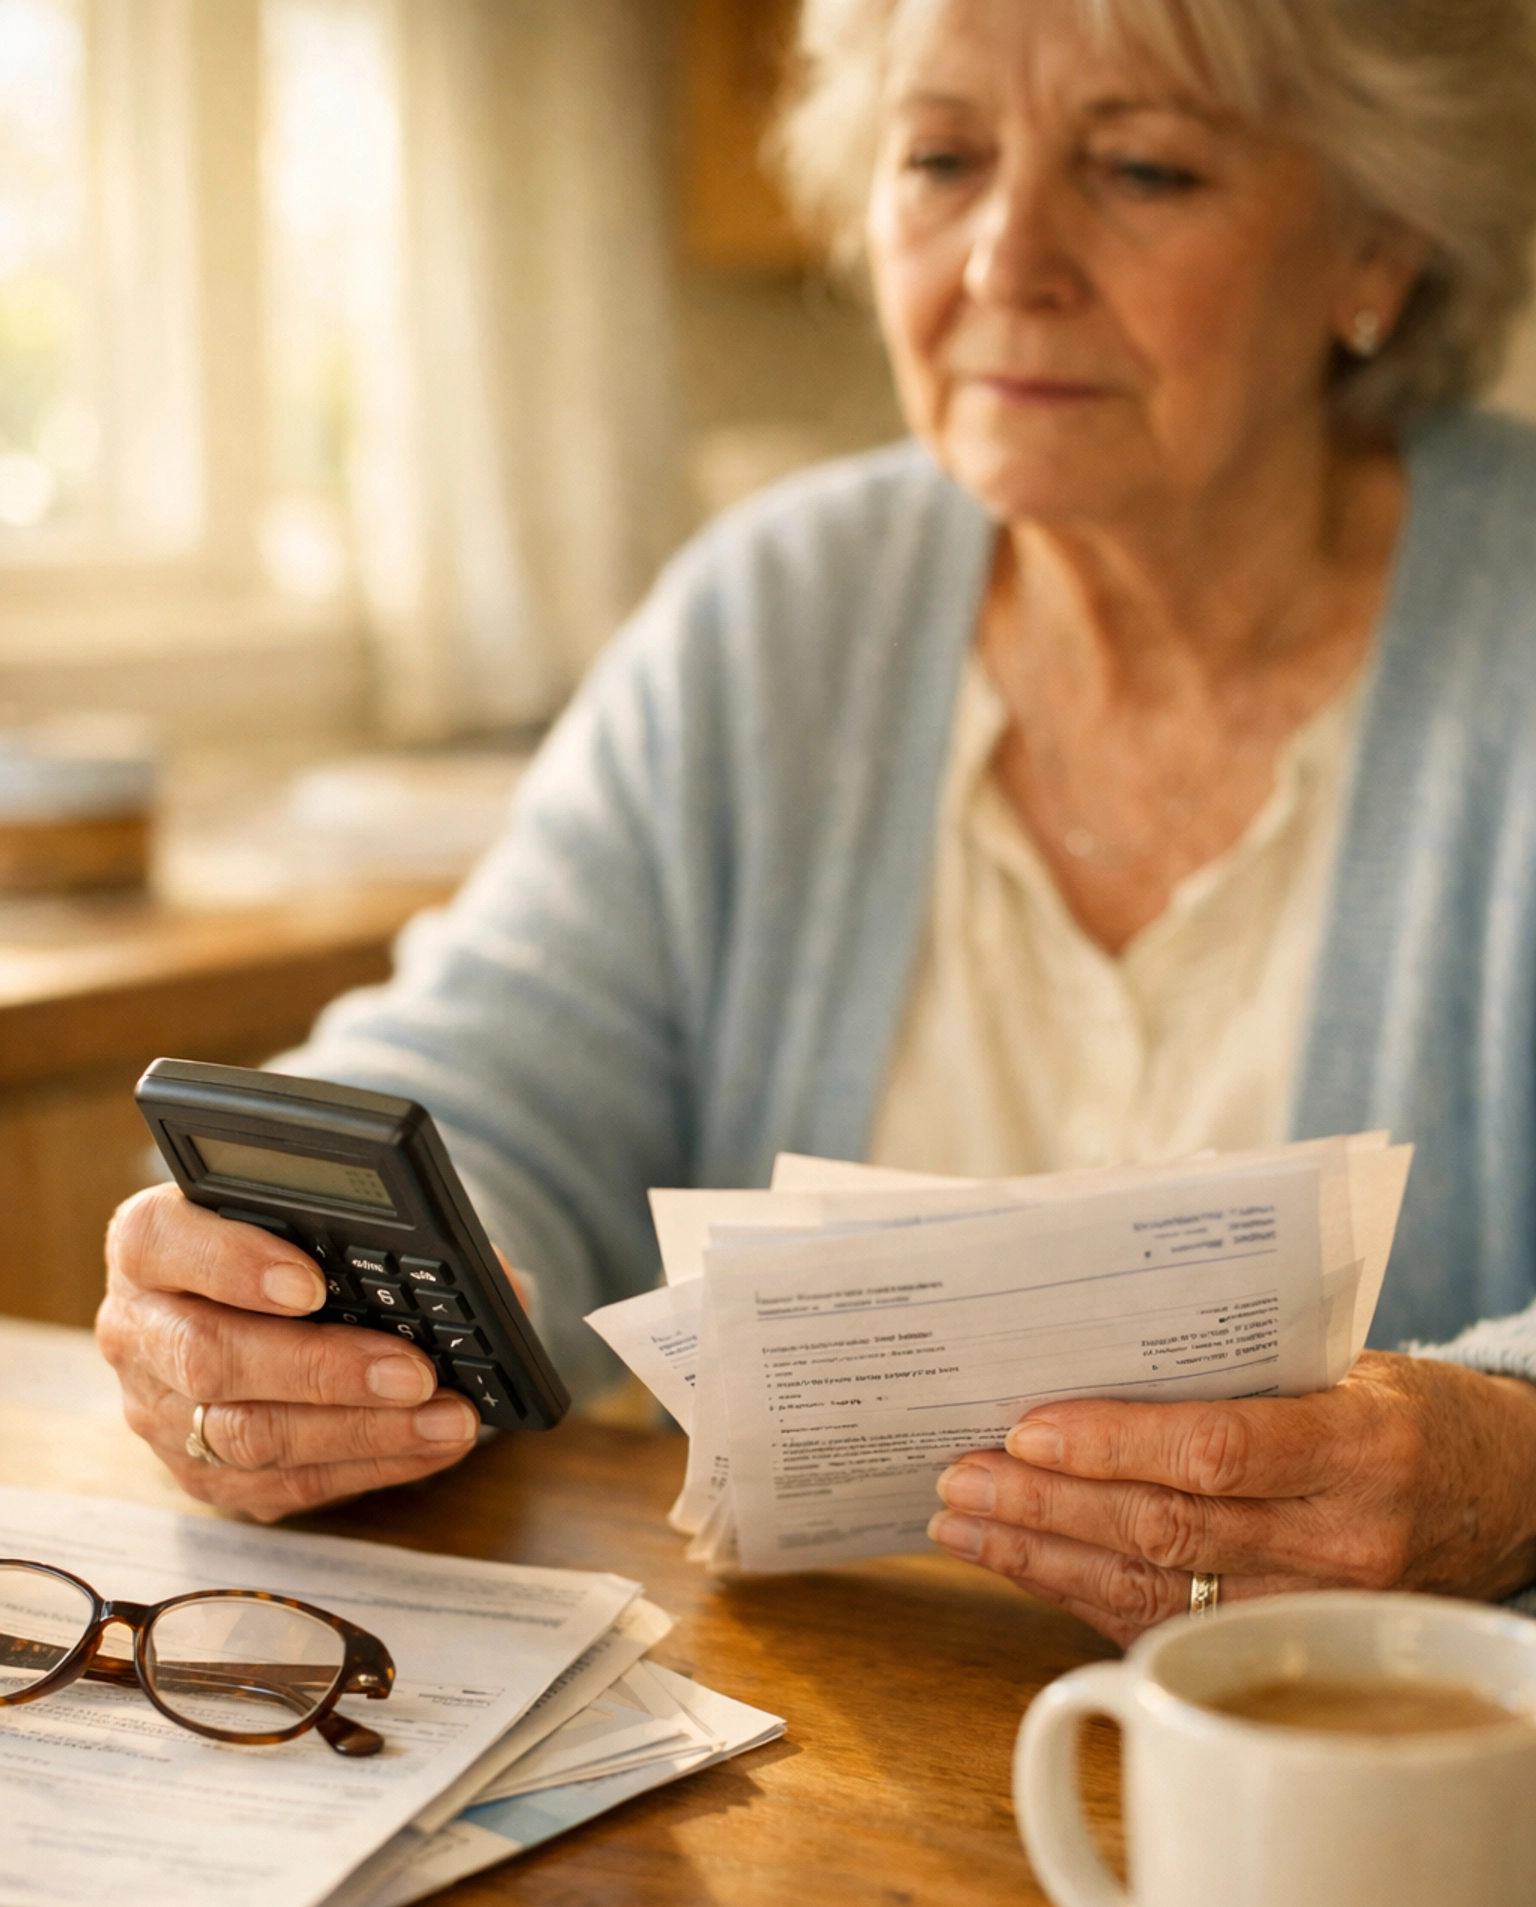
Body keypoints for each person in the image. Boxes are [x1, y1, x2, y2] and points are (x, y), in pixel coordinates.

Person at [99, 0, 1536, 1647]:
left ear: (1382, 243)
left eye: (1142, 168)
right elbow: (489, 1082)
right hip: (805, 1772)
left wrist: (1505, 1462)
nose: (1006, 259)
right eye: (940, 159)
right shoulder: (771, 616)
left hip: (1395, 1809)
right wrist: (321, 1299)